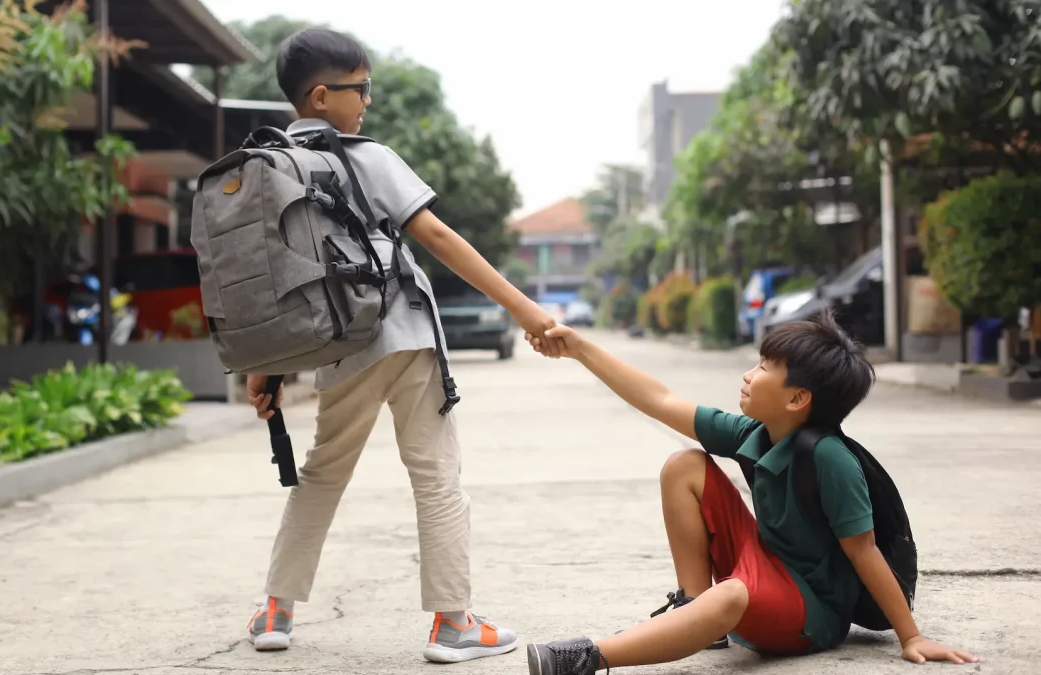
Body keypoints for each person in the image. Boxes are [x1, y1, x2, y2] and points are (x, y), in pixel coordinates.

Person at [242, 27, 561, 662]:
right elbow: (437, 238)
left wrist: (266, 370)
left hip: (334, 348)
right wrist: (528, 311)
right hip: (405, 335)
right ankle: (453, 625)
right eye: (360, 89)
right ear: (324, 94)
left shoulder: (264, 171)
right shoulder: (367, 157)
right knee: (436, 475)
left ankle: (275, 611)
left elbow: (270, 284)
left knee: (321, 474)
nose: (367, 102)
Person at [521, 311, 979, 674]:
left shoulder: (831, 459)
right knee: (685, 465)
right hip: (764, 564)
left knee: (731, 596)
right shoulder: (756, 433)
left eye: (763, 367)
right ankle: (695, 608)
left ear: (797, 399)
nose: (748, 374)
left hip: (808, 611)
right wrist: (580, 349)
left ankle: (589, 657)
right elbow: (660, 400)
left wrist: (911, 636)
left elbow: (865, 553)